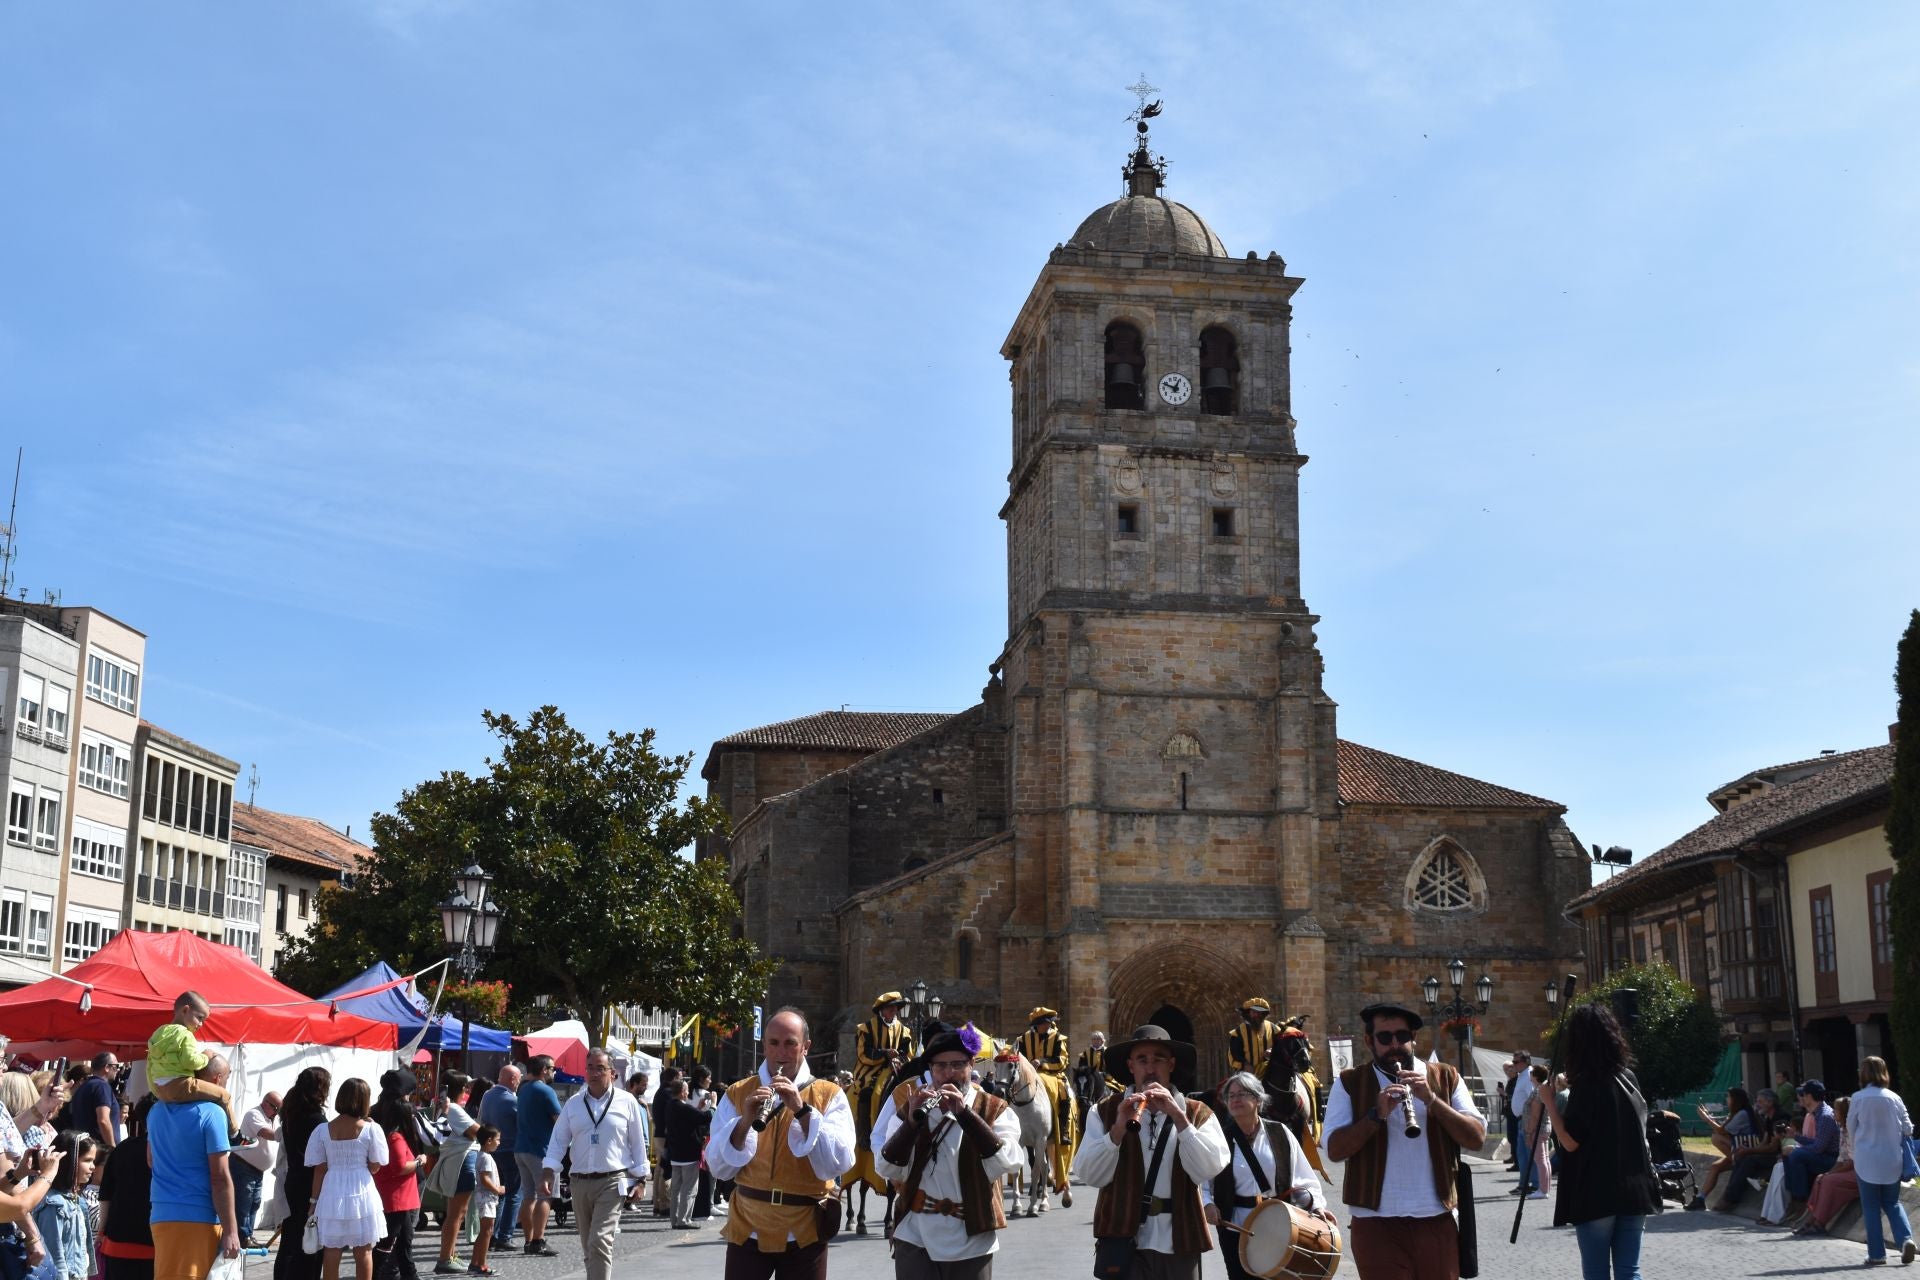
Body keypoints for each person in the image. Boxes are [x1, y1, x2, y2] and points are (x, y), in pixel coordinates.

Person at [1321, 1002, 1485, 1280]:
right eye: (1385, 1038)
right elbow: (1335, 1149)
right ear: (1369, 1041)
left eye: (1402, 1036)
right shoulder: (1350, 1082)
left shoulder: (1445, 1076)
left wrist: (1432, 1100)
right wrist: (1376, 1116)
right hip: (1376, 1223)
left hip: (1436, 1217)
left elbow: (1477, 1138)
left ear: (1414, 1038)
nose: (1395, 1044)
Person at [705, 1008, 856, 1280]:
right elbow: (718, 1166)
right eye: (773, 1043)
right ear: (765, 1045)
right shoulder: (739, 1092)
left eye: (790, 1043)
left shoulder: (829, 1094)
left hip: (805, 1228)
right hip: (747, 1224)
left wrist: (802, 1111)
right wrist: (745, 1121)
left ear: (805, 1047)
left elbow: (839, 1160)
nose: (780, 1053)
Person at [1072, 1024, 1229, 1280]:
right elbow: (1090, 1174)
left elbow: (1208, 1169)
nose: (1150, 1068)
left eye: (1159, 1059)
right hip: (1124, 1242)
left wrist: (1180, 1119)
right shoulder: (1104, 1112)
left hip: (1179, 1240)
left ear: (1172, 1065)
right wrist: (1117, 1131)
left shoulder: (1198, 1113)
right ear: (1131, 1066)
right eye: (1142, 1060)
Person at [873, 1024, 1023, 1280]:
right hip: (915, 1234)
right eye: (940, 1067)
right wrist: (910, 1124)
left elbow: (1008, 1163)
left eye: (957, 1065)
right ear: (930, 1069)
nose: (948, 1074)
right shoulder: (912, 1106)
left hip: (971, 1238)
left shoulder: (996, 1109)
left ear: (971, 1064)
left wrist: (965, 1115)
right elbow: (886, 1168)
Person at [1534, 1003, 1661, 1280]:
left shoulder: (1586, 1086)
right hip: (1634, 1189)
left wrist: (1549, 1103)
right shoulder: (1628, 1078)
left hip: (1596, 1192)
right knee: (1630, 1271)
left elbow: (1569, 1142)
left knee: (1596, 1273)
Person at [1202, 1072, 1329, 1280]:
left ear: (1258, 1099)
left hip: (1280, 1225)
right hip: (1236, 1228)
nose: (1235, 1099)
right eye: (1230, 1096)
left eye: (1242, 1093)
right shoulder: (1218, 1138)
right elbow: (1203, 1181)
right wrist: (1207, 1204)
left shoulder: (1281, 1133)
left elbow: (1303, 1178)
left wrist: (1316, 1207)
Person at [541, 1049, 649, 1280]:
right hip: (580, 1181)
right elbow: (559, 1140)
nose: (594, 1072)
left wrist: (640, 1179)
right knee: (589, 1244)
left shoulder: (626, 1102)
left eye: (600, 1068)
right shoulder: (574, 1103)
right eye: (590, 1067)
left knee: (600, 1240)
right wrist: (549, 1171)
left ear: (612, 1073)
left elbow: (638, 1143)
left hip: (613, 1180)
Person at [148, 1054, 241, 1280]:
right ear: (218, 1079)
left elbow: (151, 1160)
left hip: (161, 1213)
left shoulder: (157, 1110)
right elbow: (219, 1177)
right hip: (198, 1216)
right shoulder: (212, 1113)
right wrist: (231, 1230)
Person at [305, 1079, 386, 1280]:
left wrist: (313, 1202)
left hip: (332, 1189)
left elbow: (319, 1169)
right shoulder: (371, 1129)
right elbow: (376, 1166)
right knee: (364, 1250)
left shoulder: (323, 1130)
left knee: (331, 1250)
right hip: (361, 1188)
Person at [1847, 1055, 1915, 1266]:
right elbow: (1908, 1128)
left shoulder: (1858, 1098)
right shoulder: (1894, 1097)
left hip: (1866, 1158)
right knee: (1893, 1203)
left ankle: (1877, 1254)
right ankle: (1906, 1239)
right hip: (1892, 1158)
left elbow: (1850, 1128)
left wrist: (1853, 1152)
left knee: (1870, 1206)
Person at [274, 1067, 333, 1280]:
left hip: (293, 1179)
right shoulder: (315, 1119)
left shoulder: (291, 1111)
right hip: (310, 1183)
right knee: (310, 1239)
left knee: (291, 1238)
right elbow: (322, 1161)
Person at [146, 993, 237, 1129]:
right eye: (199, 1018)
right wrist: (205, 1056)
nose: (201, 1024)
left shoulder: (159, 1033)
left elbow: (150, 1064)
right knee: (224, 1096)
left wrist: (155, 1088)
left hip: (160, 1088)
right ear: (185, 1010)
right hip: (179, 1084)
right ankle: (235, 1133)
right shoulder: (186, 1035)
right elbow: (191, 1061)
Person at [368, 1073, 427, 1280]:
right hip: (396, 1189)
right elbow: (400, 1165)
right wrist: (420, 1161)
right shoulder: (397, 1126)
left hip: (390, 1185)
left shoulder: (374, 1112)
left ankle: (409, 1275)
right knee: (391, 1240)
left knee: (403, 1239)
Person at [98, 1096, 156, 1280]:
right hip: (156, 1240)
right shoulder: (170, 1149)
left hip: (118, 1239)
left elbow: (106, 1194)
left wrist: (102, 1231)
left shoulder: (122, 1148)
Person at [430, 1072, 479, 1276]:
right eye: (466, 1087)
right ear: (460, 1088)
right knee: (456, 1214)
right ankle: (445, 1258)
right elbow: (477, 1132)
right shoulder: (455, 1109)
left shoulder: (444, 1107)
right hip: (461, 1161)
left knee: (456, 1214)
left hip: (457, 1161)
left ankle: (449, 1255)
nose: (468, 1090)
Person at [512, 1057, 562, 1258]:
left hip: (521, 1147)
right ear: (544, 1070)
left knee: (529, 1195)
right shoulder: (545, 1090)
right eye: (552, 1068)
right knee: (545, 1195)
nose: (554, 1072)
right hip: (540, 1150)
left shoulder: (523, 1089)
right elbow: (559, 1121)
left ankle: (529, 1240)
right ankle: (538, 1240)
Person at [31, 1131, 95, 1280]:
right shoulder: (54, 1204)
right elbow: (54, 1254)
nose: (93, 1167)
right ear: (69, 1162)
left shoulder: (77, 1200)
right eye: (87, 1160)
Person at [1711, 1088, 1786, 1212]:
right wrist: (1749, 1149)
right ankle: (1727, 1197)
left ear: (1770, 1102)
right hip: (1772, 1153)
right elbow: (1764, 1142)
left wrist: (1749, 1151)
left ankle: (1730, 1199)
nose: (1757, 1105)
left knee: (1748, 1160)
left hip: (1780, 1156)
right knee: (1740, 1158)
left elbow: (1772, 1147)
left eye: (1760, 1102)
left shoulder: (1779, 1118)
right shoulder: (1768, 1118)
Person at [1789, 1095, 1855, 1235]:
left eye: (1836, 1110)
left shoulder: (1853, 1132)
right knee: (1820, 1178)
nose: (1833, 1113)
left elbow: (1851, 1162)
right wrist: (1828, 1172)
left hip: (1858, 1171)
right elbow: (1841, 1159)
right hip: (1846, 1166)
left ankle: (1819, 1221)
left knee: (1828, 1181)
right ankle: (1810, 1218)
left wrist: (1831, 1174)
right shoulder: (1842, 1131)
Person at [474, 1067, 520, 1256]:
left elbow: (481, 1119)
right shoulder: (513, 1100)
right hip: (509, 1149)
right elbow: (521, 1122)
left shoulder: (487, 1095)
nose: (519, 1082)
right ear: (513, 1079)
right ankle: (505, 1236)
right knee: (513, 1193)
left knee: (498, 1192)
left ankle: (492, 1234)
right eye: (519, 1078)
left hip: (492, 1150)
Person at [1688, 1086, 1756, 1210]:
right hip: (1738, 1149)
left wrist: (1706, 1118)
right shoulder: (1737, 1113)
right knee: (1715, 1166)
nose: (1727, 1099)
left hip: (1746, 1150)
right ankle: (1701, 1198)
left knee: (1716, 1138)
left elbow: (1721, 1131)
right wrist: (1709, 1116)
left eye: (1729, 1097)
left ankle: (1738, 1163)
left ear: (1736, 1099)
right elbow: (1724, 1129)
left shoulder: (1742, 1114)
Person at [1779, 1079, 1840, 1214]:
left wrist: (1796, 1149)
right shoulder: (1816, 1114)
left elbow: (1819, 1148)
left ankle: (1800, 1200)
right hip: (1823, 1155)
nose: (1802, 1097)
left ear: (1810, 1096)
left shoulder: (1825, 1116)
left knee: (1796, 1155)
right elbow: (1815, 1142)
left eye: (1804, 1094)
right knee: (1788, 1153)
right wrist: (1795, 1136)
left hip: (1831, 1159)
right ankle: (1794, 1197)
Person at [232, 1092, 281, 1247]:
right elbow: (266, 1134)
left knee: (254, 1203)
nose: (277, 1112)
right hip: (243, 1166)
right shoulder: (254, 1114)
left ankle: (248, 1235)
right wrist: (286, 1134)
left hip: (255, 1170)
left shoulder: (271, 1118)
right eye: (275, 1108)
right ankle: (242, 1237)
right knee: (244, 1204)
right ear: (266, 1103)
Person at [658, 1081, 706, 1229]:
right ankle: (683, 1220)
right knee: (689, 1188)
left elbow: (691, 1118)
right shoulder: (683, 1107)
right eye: (686, 1090)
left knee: (676, 1189)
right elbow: (704, 1118)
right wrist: (713, 1105)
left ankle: (675, 1219)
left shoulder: (671, 1106)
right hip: (688, 1153)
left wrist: (698, 1108)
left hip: (675, 1153)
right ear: (683, 1092)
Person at [468, 1127, 504, 1278]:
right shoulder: (485, 1158)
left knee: (484, 1232)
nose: (499, 1143)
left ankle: (474, 1263)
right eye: (498, 1139)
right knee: (487, 1231)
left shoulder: (482, 1155)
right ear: (489, 1140)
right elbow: (484, 1179)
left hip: (485, 1198)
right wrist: (497, 1189)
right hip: (487, 1198)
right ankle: (481, 1265)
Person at [72, 1054, 122, 1162]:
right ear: (107, 1068)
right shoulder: (101, 1086)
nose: (117, 1070)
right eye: (116, 1067)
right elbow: (103, 1120)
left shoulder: (83, 1087)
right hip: (101, 1153)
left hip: (86, 1150)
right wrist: (113, 1149)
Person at [1522, 1064, 1552, 1199]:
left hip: (1538, 1129)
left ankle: (1543, 1190)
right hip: (1545, 1127)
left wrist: (1529, 1132)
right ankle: (1545, 1188)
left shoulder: (1538, 1091)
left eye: (1532, 1073)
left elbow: (1535, 1114)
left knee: (1540, 1160)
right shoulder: (1543, 1089)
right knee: (1545, 1159)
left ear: (1535, 1076)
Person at [623, 1074, 653, 1211]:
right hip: (633, 1142)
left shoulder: (641, 1102)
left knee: (640, 1172)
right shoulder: (628, 1100)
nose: (645, 1087)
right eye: (643, 1084)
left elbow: (649, 1120)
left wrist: (646, 1107)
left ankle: (631, 1200)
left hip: (644, 1141)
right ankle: (628, 1200)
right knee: (632, 1173)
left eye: (646, 1084)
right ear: (634, 1084)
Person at [1226, 999, 1276, 1075]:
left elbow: (1282, 1045)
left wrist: (1273, 1051)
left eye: (1260, 1012)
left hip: (1270, 1071)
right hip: (1246, 1073)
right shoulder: (1239, 1032)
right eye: (1254, 1012)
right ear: (1248, 1013)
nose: (1257, 1015)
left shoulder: (1273, 1028)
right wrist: (1245, 1065)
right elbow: (1235, 1053)